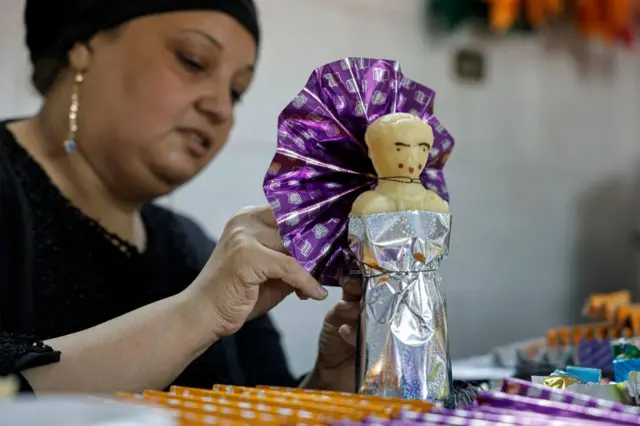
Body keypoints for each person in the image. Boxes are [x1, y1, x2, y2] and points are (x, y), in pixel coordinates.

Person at [0, 0, 360, 394]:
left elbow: (257, 403)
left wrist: (327, 381)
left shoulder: (194, 247)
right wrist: (197, 313)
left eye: (236, 92)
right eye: (193, 61)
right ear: (83, 46)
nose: (221, 108)